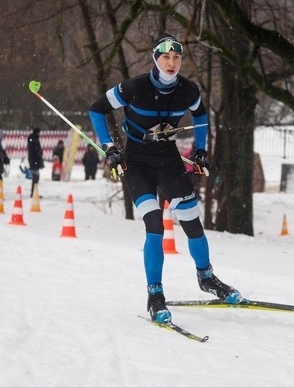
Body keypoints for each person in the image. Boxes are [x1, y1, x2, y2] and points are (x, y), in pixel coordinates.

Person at [88, 32, 242, 323]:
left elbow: (201, 116)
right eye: (165, 57)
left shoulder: (188, 90)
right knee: (154, 224)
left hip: (168, 159)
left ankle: (206, 278)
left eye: (177, 57)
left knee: (191, 221)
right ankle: (155, 294)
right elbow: (97, 109)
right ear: (156, 60)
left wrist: (200, 150)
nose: (172, 63)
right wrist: (110, 148)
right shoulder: (133, 88)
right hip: (137, 162)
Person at [27, 127, 44, 198]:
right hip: (34, 161)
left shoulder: (32, 139)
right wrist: (39, 161)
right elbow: (36, 152)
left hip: (33, 161)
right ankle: (34, 192)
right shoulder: (35, 140)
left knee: (36, 177)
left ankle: (34, 192)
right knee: (36, 177)